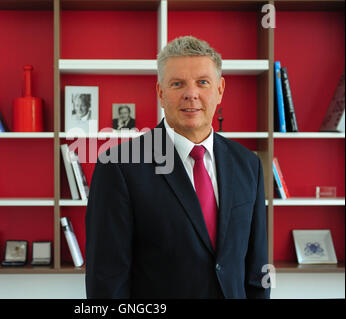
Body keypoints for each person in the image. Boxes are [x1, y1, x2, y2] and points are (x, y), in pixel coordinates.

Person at [85, 36, 270, 299]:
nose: (191, 93)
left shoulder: (248, 164)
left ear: (220, 89)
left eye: (202, 82)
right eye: (177, 83)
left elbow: (256, 269)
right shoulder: (118, 167)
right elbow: (106, 279)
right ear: (161, 92)